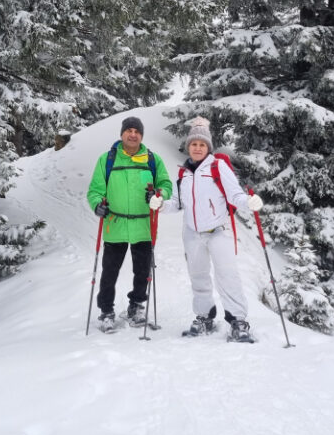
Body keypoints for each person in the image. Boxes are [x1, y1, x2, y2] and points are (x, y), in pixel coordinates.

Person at [149, 117, 263, 342]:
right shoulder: (183, 173)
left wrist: (249, 203)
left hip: (218, 230)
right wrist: (160, 204)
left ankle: (238, 321)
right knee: (198, 276)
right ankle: (205, 317)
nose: (198, 148)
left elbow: (235, 195)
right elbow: (177, 204)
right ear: (188, 146)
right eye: (194, 144)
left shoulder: (218, 167)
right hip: (192, 233)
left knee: (227, 275)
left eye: (202, 144)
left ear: (208, 147)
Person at [87, 116, 172, 332]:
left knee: (142, 272)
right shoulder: (107, 159)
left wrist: (159, 195)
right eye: (129, 130)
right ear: (122, 133)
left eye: (137, 131)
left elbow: (166, 185)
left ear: (141, 136)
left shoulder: (152, 160)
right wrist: (97, 204)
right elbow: (95, 189)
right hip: (115, 224)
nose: (133, 135)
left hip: (143, 226)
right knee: (109, 273)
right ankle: (106, 311)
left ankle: (136, 307)